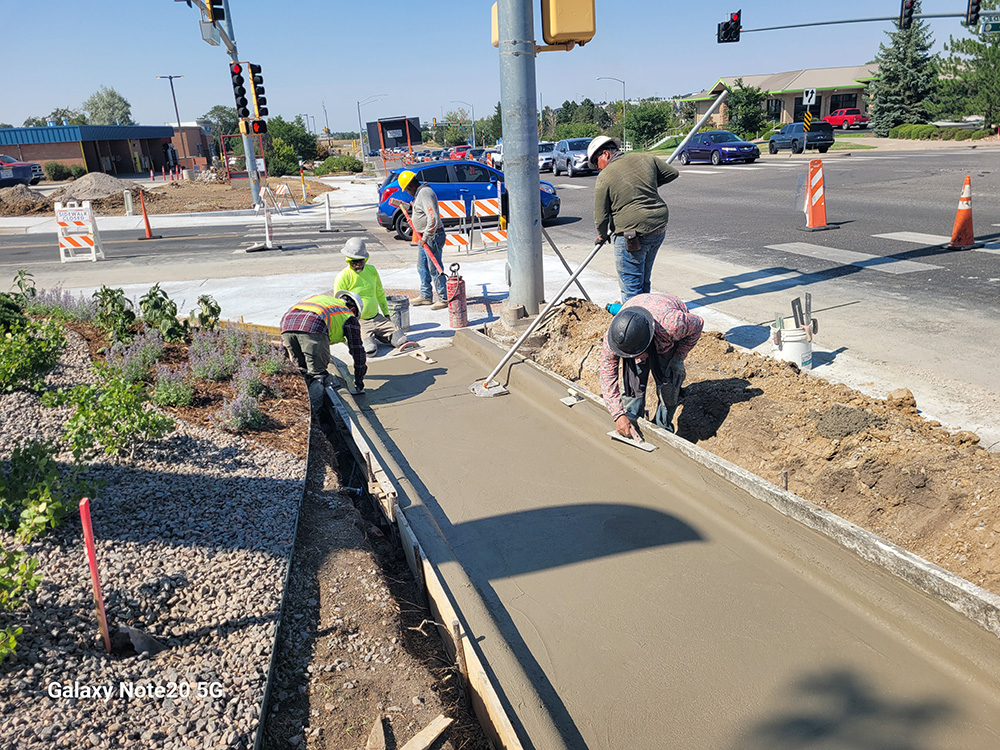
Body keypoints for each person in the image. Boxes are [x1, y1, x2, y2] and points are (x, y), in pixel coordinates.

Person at [589, 135, 680, 304]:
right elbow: (672, 173)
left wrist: (602, 235)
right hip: (658, 226)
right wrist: (645, 185)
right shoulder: (645, 158)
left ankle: (635, 324)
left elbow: (600, 217)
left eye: (596, 162)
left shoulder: (605, 176)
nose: (597, 167)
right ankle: (647, 320)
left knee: (631, 289)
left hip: (632, 234)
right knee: (644, 280)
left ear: (605, 154)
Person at [599, 293, 703, 438]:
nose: (637, 360)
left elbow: (698, 324)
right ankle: (631, 423)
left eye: (638, 354)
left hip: (664, 335)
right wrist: (618, 415)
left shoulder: (673, 325)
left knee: (669, 387)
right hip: (639, 322)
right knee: (632, 386)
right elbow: (607, 375)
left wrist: (679, 357)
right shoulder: (615, 337)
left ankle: (663, 429)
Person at [280, 290, 367, 406]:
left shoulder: (324, 300)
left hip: (287, 323)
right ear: (353, 309)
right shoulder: (348, 315)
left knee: (301, 370)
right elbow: (358, 351)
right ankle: (316, 414)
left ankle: (299, 405)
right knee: (318, 375)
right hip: (312, 325)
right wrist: (359, 381)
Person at [333, 238, 412, 355]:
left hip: (377, 318)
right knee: (370, 351)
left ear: (365, 259)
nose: (357, 265)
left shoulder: (371, 270)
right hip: (360, 321)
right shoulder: (343, 276)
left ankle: (380, 335)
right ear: (348, 260)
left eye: (360, 261)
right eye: (354, 262)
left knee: (402, 340)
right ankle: (368, 338)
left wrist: (386, 314)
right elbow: (339, 304)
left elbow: (380, 293)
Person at [397, 170, 448, 310]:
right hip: (424, 237)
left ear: (409, 187)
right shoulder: (419, 193)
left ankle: (443, 297)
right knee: (422, 267)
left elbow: (433, 219)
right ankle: (426, 295)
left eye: (406, 190)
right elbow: (420, 210)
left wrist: (425, 237)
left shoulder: (425, 193)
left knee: (435, 269)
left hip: (432, 236)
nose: (407, 193)